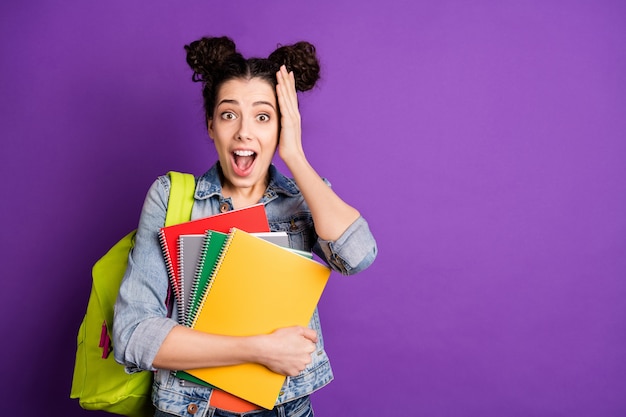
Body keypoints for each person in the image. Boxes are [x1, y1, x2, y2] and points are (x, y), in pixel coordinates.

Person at [113, 36, 377, 417]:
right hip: (187, 408)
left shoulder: (303, 200)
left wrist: (295, 155)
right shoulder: (172, 198)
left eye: (263, 116)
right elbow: (132, 334)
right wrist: (260, 349)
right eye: (229, 114)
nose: (244, 132)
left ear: (281, 127)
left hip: (285, 408)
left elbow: (358, 256)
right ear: (210, 126)